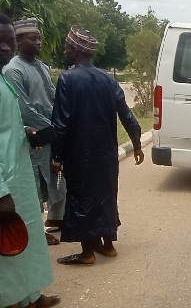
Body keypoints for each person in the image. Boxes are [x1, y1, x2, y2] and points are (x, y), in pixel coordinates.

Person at [51, 27, 144, 266]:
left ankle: (87, 253)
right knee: (105, 196)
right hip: (106, 155)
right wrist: (137, 144)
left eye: (67, 46)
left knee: (82, 199)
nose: (65, 50)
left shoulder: (67, 79)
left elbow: (61, 123)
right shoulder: (108, 79)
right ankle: (108, 246)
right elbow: (128, 116)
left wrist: (57, 155)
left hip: (79, 155)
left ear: (76, 50)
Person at [0, 14, 60, 308]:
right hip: (6, 182)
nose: (5, 47)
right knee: (9, 246)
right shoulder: (12, 72)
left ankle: (31, 297)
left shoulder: (4, 76)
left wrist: (26, 130)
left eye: (8, 41)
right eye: (0, 41)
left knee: (29, 235)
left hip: (20, 169)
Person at [2, 18, 66, 246]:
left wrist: (59, 122)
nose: (38, 42)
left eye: (39, 38)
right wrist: (52, 128)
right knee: (36, 185)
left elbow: (52, 97)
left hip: (50, 133)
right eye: (33, 38)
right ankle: (37, 230)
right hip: (33, 137)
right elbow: (24, 109)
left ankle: (56, 220)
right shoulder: (13, 70)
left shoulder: (42, 67)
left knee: (56, 178)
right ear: (19, 41)